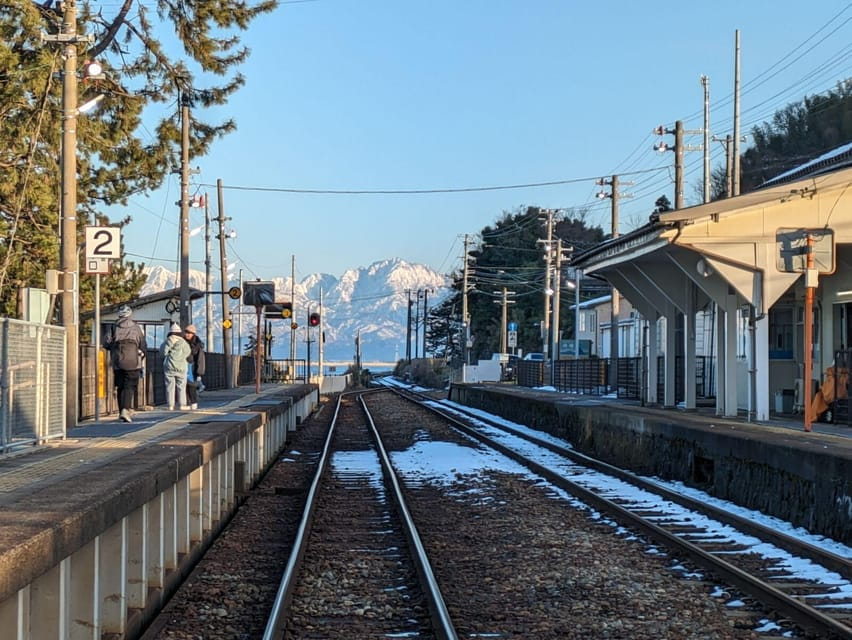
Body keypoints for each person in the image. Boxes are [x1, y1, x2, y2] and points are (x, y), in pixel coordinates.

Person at [105, 304, 147, 423]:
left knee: (120, 386)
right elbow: (142, 344)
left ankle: (121, 411)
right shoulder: (136, 327)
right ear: (130, 315)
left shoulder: (114, 327)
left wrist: (114, 348)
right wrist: (143, 354)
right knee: (129, 385)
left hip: (117, 360)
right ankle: (126, 409)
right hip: (132, 360)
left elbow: (106, 343)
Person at [160, 322, 191, 411]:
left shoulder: (167, 341)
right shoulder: (183, 342)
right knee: (181, 386)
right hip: (181, 366)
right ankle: (182, 404)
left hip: (169, 366)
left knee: (170, 386)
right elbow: (187, 352)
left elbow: (162, 353)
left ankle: (170, 405)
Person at [183, 324, 206, 411]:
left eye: (189, 333)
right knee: (185, 385)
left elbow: (200, 359)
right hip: (184, 365)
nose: (187, 335)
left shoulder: (198, 345)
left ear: (193, 334)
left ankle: (193, 402)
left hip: (192, 367)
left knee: (191, 385)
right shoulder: (182, 342)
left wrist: (199, 372)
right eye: (186, 332)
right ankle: (189, 402)